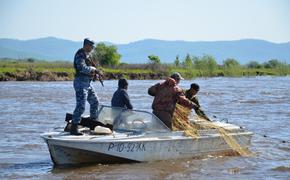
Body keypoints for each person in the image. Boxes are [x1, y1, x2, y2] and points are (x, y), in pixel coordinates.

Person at [71, 38, 102, 135]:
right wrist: (93, 69)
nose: (92, 48)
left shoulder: (87, 55)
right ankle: (74, 128)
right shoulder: (80, 54)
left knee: (95, 102)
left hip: (87, 84)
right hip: (80, 83)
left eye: (93, 46)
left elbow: (88, 69)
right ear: (86, 45)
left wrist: (95, 74)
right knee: (81, 106)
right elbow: (81, 68)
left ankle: (93, 124)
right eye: (91, 46)